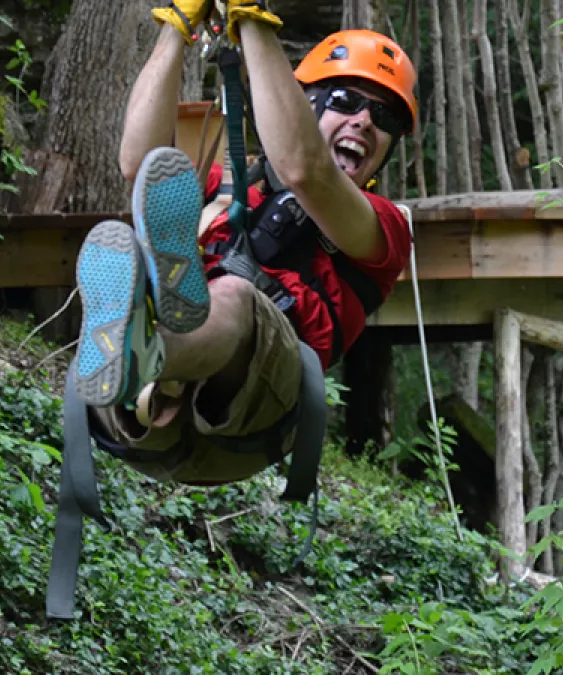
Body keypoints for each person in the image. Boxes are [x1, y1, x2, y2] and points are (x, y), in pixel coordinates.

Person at [70, 0, 416, 485]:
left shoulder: (384, 229)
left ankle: (146, 347)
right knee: (162, 199)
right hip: (139, 419)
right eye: (343, 101)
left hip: (245, 421)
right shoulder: (231, 188)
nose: (363, 121)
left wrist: (250, 18)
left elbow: (306, 170)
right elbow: (137, 164)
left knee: (234, 294)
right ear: (305, 103)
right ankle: (144, 342)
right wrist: (176, 26)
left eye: (384, 117)